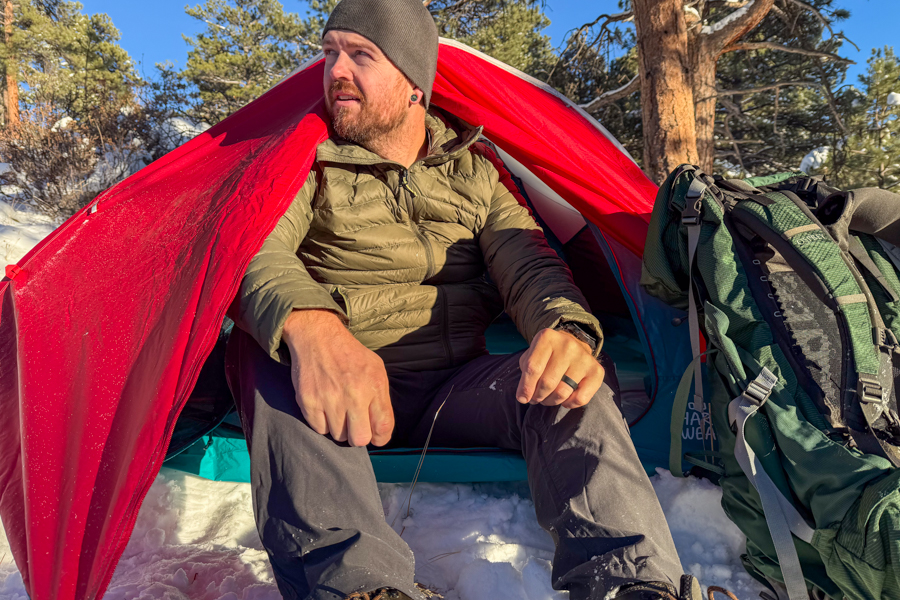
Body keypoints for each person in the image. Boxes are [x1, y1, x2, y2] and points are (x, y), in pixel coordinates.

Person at [226, 0, 702, 598]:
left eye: (361, 56)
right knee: (265, 348)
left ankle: (632, 583)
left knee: (570, 379)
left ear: (414, 86)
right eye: (330, 53)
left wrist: (564, 329)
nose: (336, 72)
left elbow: (530, 262)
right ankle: (360, 588)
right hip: (338, 391)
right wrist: (313, 327)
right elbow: (251, 252)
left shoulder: (474, 172)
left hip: (456, 386)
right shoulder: (307, 163)